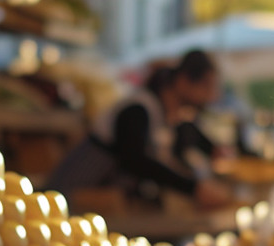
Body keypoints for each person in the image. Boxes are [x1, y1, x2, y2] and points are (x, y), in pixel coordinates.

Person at [50, 49, 230, 208]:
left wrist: (213, 151)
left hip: (101, 206)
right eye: (206, 87)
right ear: (183, 81)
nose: (212, 97)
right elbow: (136, 160)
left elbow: (193, 137)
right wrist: (193, 188)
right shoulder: (138, 109)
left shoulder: (167, 114)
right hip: (68, 201)